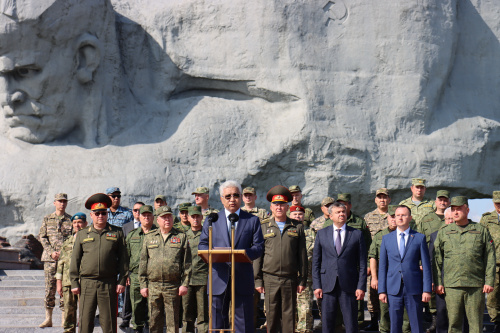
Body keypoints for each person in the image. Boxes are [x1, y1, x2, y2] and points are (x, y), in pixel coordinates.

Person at [198, 180, 264, 332]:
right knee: (216, 325)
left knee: (244, 325)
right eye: (228, 196)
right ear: (221, 199)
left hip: (242, 277)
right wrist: (212, 253)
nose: (232, 199)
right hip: (218, 278)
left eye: (235, 195)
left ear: (241, 197)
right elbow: (202, 244)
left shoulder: (252, 220)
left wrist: (244, 254)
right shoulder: (211, 220)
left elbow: (259, 247)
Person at [434, 196, 496, 333]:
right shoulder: (444, 232)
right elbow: (437, 259)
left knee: (475, 326)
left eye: (459, 209)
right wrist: (438, 282)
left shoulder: (481, 231)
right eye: (453, 209)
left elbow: (490, 256)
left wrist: (489, 281)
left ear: (467, 210)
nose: (455, 212)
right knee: (454, 325)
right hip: (452, 285)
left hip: (475, 285)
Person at [69, 193, 128, 333]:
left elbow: (124, 259)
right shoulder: (83, 234)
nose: (100, 216)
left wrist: (122, 281)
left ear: (107, 214)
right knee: (85, 322)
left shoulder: (117, 233)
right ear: (91, 215)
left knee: (109, 324)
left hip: (108, 283)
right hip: (87, 283)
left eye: (103, 213)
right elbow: (75, 260)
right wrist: (74, 282)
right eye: (97, 213)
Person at [254, 186, 307, 332]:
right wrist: (257, 279)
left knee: (289, 316)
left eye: (282, 204)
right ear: (271, 206)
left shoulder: (297, 227)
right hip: (269, 278)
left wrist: (302, 279)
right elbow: (259, 255)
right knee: (271, 315)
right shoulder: (263, 226)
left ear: (287, 207)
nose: (279, 207)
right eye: (276, 204)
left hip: (290, 279)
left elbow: (302, 255)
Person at [312, 202, 367, 333]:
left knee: (351, 322)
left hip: (349, 284)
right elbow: (316, 262)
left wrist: (360, 287)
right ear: (330, 216)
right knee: (328, 322)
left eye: (343, 212)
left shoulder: (356, 234)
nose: (342, 214)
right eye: (338, 212)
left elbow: (363, 263)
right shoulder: (322, 234)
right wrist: (317, 285)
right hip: (327, 284)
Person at [378, 205, 432, 333]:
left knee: (416, 325)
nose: (400, 218)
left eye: (404, 215)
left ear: (410, 218)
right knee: (395, 325)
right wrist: (382, 290)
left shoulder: (419, 238)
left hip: (413, 288)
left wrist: (427, 290)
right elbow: (383, 266)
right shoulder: (386, 239)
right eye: (398, 215)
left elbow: (426, 266)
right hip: (393, 288)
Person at [139, 205, 191, 333]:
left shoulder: (181, 237)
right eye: (164, 217)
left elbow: (187, 264)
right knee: (154, 321)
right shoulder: (149, 237)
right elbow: (143, 262)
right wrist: (143, 285)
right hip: (153, 286)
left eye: (169, 216)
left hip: (172, 286)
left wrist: (184, 284)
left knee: (172, 322)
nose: (167, 219)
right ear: (158, 220)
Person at [368, 205, 411, 333]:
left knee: (405, 313)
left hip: (404, 279)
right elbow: (373, 257)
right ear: (387, 218)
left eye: (396, 216)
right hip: (385, 278)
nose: (394, 219)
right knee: (385, 310)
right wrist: (375, 278)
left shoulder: (409, 234)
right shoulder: (380, 236)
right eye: (391, 216)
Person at [417, 190, 451, 332]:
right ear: (435, 201)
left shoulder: (451, 217)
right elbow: (420, 241)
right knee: (432, 290)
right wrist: (420, 262)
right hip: (430, 259)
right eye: (440, 200)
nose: (442, 202)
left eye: (445, 200)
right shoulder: (426, 219)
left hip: (449, 262)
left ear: (448, 202)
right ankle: (434, 319)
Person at [337, 193, 372, 327]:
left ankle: (358, 324)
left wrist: (368, 264)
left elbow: (367, 245)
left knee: (355, 300)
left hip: (354, 267)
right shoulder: (329, 222)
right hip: (335, 270)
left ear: (350, 205)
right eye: (340, 204)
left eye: (345, 204)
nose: (343, 207)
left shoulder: (359, 222)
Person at [38, 193, 72, 328]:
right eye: (59, 201)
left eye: (64, 201)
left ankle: (64, 319)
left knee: (64, 289)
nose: (62, 204)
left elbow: (72, 238)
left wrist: (64, 253)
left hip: (65, 260)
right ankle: (48, 318)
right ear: (54, 203)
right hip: (50, 260)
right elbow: (42, 237)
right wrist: (51, 252)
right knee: (49, 288)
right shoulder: (47, 219)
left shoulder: (70, 219)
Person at [363, 187, 391, 331]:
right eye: (379, 197)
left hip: (390, 262)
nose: (382, 200)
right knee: (373, 291)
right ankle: (374, 321)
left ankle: (387, 321)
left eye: (384, 197)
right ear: (375, 200)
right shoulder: (368, 217)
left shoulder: (393, 216)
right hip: (374, 261)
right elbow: (365, 242)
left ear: (389, 200)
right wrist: (367, 263)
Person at [126, 205, 157, 333]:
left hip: (154, 276)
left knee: (154, 308)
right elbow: (125, 256)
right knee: (137, 307)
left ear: (153, 217)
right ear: (139, 216)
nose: (146, 217)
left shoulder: (159, 234)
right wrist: (126, 275)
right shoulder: (132, 235)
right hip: (135, 276)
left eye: (149, 215)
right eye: (144, 215)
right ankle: (138, 329)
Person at [56, 212, 88, 333]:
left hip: (84, 281)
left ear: (85, 223)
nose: (77, 225)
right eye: (74, 223)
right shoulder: (68, 241)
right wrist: (59, 281)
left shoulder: (89, 239)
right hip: (67, 282)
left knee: (85, 312)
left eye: (79, 222)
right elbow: (61, 262)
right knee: (68, 310)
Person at [428, 208, 456, 333]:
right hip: (441, 281)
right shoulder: (435, 235)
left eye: (453, 219)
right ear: (444, 220)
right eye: (448, 219)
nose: (450, 221)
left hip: (458, 281)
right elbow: (430, 260)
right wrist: (433, 281)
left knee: (459, 314)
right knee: (442, 313)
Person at [183, 205, 209, 333]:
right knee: (186, 314)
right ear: (188, 218)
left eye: (197, 216)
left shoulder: (208, 235)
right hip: (186, 281)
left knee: (203, 314)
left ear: (202, 217)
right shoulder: (183, 236)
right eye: (192, 216)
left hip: (202, 279)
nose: (195, 219)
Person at [120, 201, 144, 329]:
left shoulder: (150, 227)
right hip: (131, 268)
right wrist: (126, 272)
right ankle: (126, 318)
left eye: (140, 210)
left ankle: (142, 320)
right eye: (135, 210)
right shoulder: (126, 227)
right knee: (128, 296)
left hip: (145, 268)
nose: (137, 213)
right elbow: (124, 252)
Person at [292, 206, 315, 333]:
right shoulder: (285, 231)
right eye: (295, 214)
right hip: (288, 276)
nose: (297, 216)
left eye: (300, 214)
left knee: (305, 310)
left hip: (307, 278)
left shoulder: (312, 232)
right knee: (289, 310)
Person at [480, 191, 500, 331]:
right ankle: (497, 322)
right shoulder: (487, 219)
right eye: (497, 203)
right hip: (494, 265)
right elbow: (481, 241)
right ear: (493, 203)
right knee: (492, 298)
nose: (499, 206)